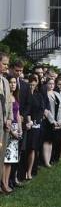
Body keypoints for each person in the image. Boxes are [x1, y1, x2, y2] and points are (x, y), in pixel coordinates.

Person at [1, 76, 22, 194]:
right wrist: (12, 132)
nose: (13, 85)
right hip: (7, 129)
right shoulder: (6, 97)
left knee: (11, 159)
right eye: (11, 82)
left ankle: (7, 181)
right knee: (5, 159)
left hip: (15, 129)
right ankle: (3, 183)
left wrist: (19, 129)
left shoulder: (15, 97)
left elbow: (18, 114)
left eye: (14, 82)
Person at [0, 52, 13, 188]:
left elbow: (9, 102)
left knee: (2, 156)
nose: (6, 66)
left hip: (5, 126)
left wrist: (9, 118)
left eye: (7, 64)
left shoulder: (5, 81)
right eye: (4, 63)